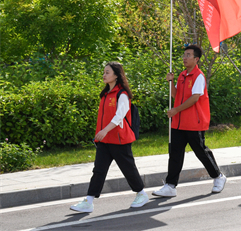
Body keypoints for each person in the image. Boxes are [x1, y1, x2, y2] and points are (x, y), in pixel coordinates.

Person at [70, 62, 148, 213]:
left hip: (119, 140)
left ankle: (142, 194)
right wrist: (101, 133)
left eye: (107, 72)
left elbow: (120, 116)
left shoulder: (122, 94)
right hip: (105, 140)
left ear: (117, 75)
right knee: (98, 170)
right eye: (104, 72)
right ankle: (89, 201)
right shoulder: (105, 94)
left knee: (128, 169)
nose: (104, 75)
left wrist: (104, 130)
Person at [153, 45, 226, 198]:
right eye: (184, 55)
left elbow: (194, 98)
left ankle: (218, 177)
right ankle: (170, 186)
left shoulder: (198, 76)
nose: (184, 58)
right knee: (175, 154)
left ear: (196, 59)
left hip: (194, 122)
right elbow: (176, 95)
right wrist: (170, 82)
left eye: (188, 55)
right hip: (179, 123)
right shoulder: (182, 75)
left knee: (201, 152)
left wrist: (176, 110)